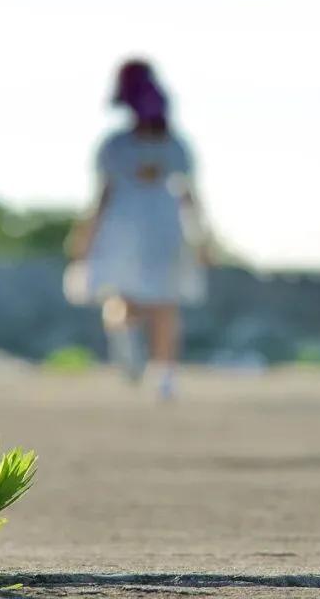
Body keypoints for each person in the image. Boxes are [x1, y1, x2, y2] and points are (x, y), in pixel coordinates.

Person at [64, 58, 214, 401]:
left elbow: (102, 196)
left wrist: (85, 235)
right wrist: (203, 238)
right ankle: (165, 376)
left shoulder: (115, 145)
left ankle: (128, 344)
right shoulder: (173, 145)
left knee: (125, 298)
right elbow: (189, 197)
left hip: (125, 225)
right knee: (165, 304)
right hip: (163, 224)